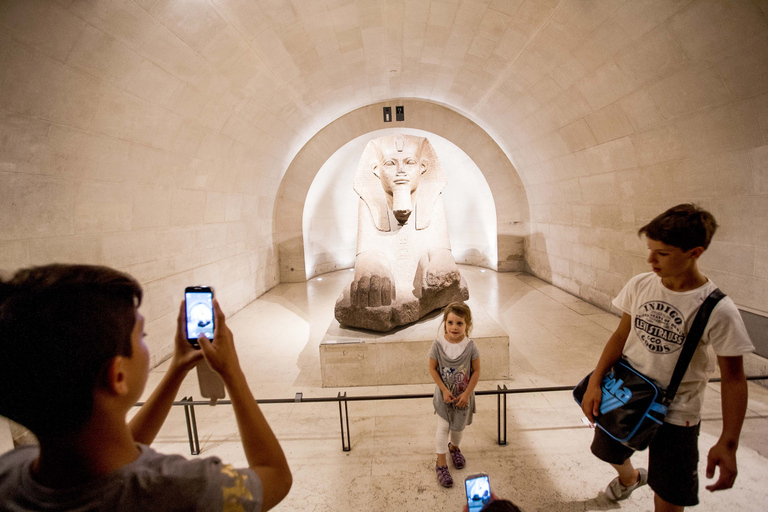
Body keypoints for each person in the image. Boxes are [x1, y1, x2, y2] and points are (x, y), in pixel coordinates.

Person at [0, 264, 292, 510]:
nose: (146, 341)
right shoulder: (187, 489)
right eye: (142, 335)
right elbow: (275, 475)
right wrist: (233, 374)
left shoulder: (10, 472)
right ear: (118, 376)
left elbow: (109, 452)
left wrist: (176, 369)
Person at [580, 204, 754, 511]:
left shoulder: (718, 309)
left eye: (662, 253)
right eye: (650, 250)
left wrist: (729, 442)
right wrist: (595, 381)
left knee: (670, 497)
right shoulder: (641, 284)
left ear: (694, 252)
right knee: (607, 451)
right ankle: (630, 478)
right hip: (625, 392)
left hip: (677, 413)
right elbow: (621, 335)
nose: (651, 260)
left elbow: (734, 378)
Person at [429, 301, 481, 487]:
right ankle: (441, 463)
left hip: (462, 397)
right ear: (444, 323)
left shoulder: (471, 347)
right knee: (443, 427)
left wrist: (467, 394)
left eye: (459, 323)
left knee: (458, 429)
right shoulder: (438, 345)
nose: (454, 327)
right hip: (444, 397)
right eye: (450, 322)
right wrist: (443, 390)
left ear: (467, 324)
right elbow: (433, 369)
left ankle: (455, 447)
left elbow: (476, 371)